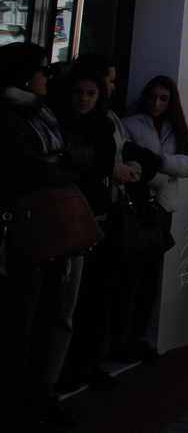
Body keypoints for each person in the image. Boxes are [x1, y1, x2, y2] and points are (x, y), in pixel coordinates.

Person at [1, 42, 92, 429]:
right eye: (43, 70)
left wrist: (62, 161)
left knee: (51, 319)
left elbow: (81, 154)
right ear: (24, 75)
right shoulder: (7, 116)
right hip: (22, 235)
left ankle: (39, 397)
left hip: (56, 231)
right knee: (18, 324)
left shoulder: (45, 111)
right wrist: (63, 164)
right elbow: (28, 171)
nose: (49, 76)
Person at [56, 56, 139, 393]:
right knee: (63, 306)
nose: (85, 98)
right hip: (68, 222)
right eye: (80, 91)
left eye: (92, 92)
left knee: (93, 298)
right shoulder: (59, 123)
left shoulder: (108, 124)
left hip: (101, 217)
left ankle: (82, 362)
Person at [110, 75, 188, 363]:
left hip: (161, 210)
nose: (156, 104)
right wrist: (161, 170)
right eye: (152, 97)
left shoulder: (175, 129)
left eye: (163, 99)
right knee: (128, 276)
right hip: (134, 207)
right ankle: (120, 339)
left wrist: (158, 162)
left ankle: (138, 337)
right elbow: (130, 164)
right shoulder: (130, 124)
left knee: (150, 278)